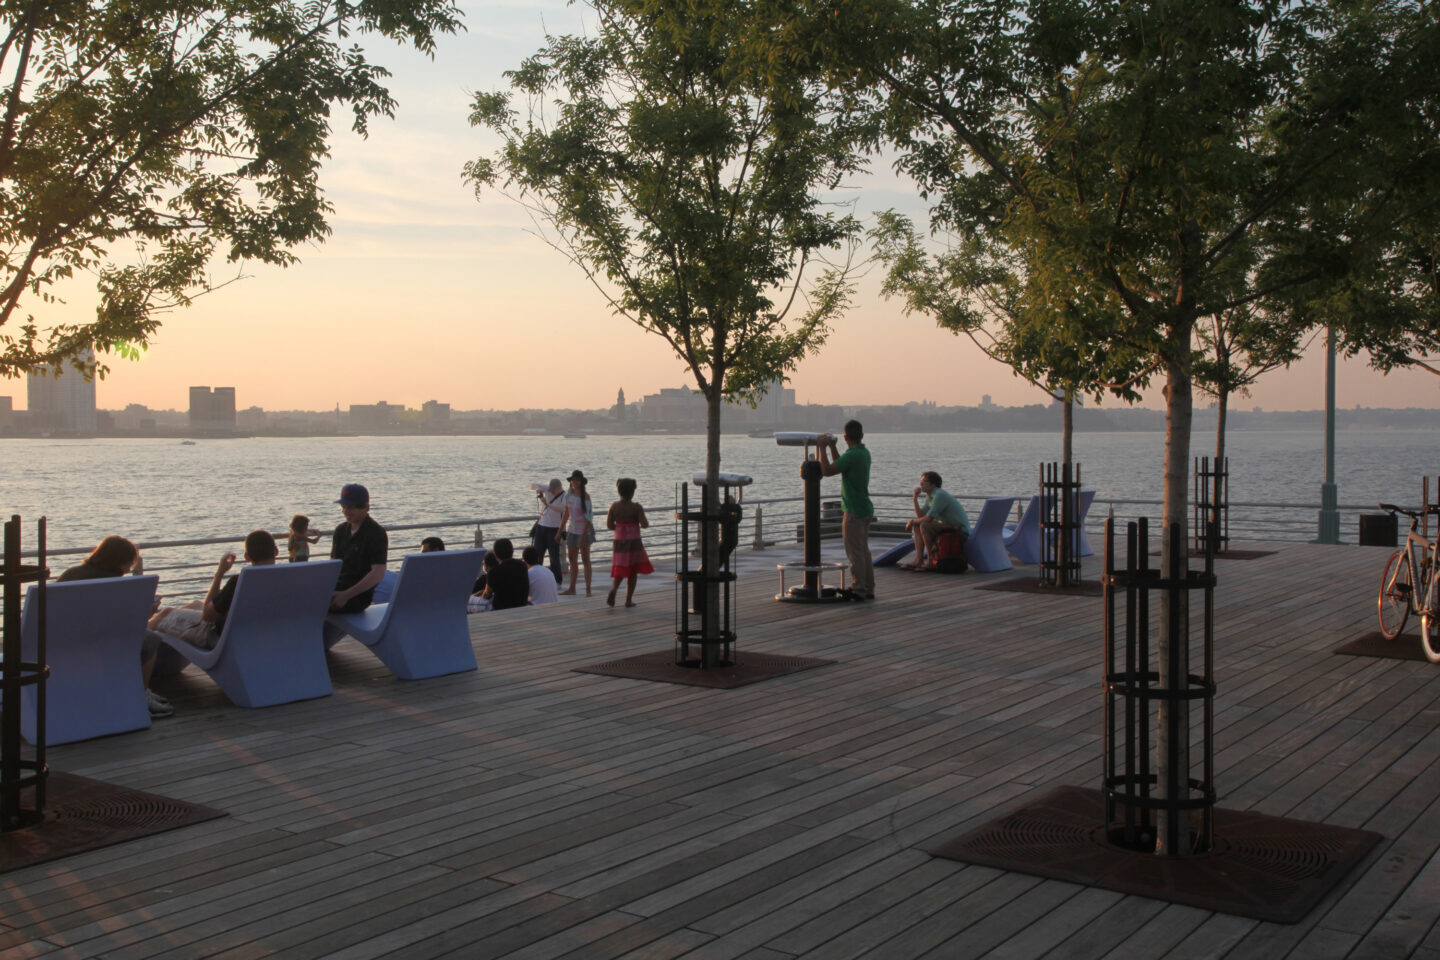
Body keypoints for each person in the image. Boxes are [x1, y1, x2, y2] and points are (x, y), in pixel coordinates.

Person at [58, 535, 172, 718]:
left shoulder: (71, 574)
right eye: (129, 563)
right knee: (150, 640)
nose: (129, 569)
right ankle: (140, 695)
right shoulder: (115, 583)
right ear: (119, 563)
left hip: (61, 643)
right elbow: (125, 623)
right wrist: (148, 612)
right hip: (97, 645)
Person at [818, 419, 875, 600]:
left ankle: (858, 588)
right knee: (863, 550)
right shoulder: (863, 452)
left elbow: (827, 471)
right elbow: (840, 465)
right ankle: (868, 587)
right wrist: (833, 448)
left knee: (854, 551)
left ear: (845, 437)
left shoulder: (853, 455)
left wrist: (821, 448)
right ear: (862, 436)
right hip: (865, 507)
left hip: (854, 510)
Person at [330, 483, 387, 613]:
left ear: (366, 507)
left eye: (351, 507)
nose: (345, 511)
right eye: (343, 507)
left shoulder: (376, 533)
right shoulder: (340, 530)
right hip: (337, 587)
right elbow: (334, 564)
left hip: (357, 597)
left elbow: (378, 572)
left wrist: (346, 595)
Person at [901, 471, 970, 569]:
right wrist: (915, 498)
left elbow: (929, 518)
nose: (921, 484)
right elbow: (921, 516)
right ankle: (919, 560)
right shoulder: (930, 496)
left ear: (933, 484)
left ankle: (930, 561)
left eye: (924, 481)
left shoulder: (939, 495)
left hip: (960, 531)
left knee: (924, 525)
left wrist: (912, 522)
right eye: (921, 481)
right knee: (919, 524)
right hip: (949, 527)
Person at [606, 477, 653, 608]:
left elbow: (609, 525)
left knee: (621, 567)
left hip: (619, 542)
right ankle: (628, 600)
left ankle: (614, 589)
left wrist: (621, 528)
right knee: (633, 571)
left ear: (619, 491)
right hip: (634, 543)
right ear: (633, 492)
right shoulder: (636, 507)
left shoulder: (614, 506)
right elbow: (644, 524)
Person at [559, 469, 595, 596]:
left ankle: (588, 589)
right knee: (572, 559)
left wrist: (583, 536)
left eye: (577, 480)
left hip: (584, 530)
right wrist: (559, 531)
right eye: (573, 480)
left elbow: (589, 518)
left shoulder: (586, 496)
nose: (574, 482)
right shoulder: (569, 495)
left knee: (586, 559)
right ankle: (572, 588)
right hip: (572, 530)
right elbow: (566, 514)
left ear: (581, 482)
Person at [531, 478, 566, 584]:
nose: (551, 492)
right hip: (541, 526)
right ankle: (537, 578)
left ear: (559, 488)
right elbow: (532, 485)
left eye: (553, 490)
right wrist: (539, 489)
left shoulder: (565, 495)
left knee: (554, 556)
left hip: (554, 528)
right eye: (549, 490)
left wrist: (547, 504)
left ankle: (557, 580)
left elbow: (562, 508)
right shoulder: (548, 489)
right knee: (537, 554)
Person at [488, 538, 530, 611]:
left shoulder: (494, 571)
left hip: (500, 609)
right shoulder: (522, 565)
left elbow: (487, 594)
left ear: (495, 554)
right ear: (512, 551)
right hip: (521, 606)